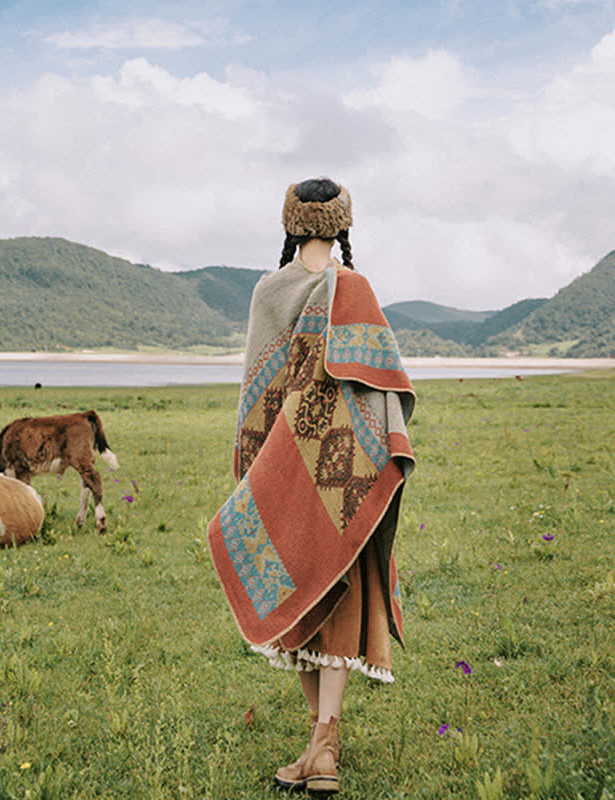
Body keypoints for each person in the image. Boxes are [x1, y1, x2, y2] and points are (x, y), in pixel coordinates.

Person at [207, 177, 416, 794]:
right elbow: (382, 386)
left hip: (280, 466)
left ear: (291, 223)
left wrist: (256, 470)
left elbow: (256, 395)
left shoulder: (268, 292)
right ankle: (322, 744)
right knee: (338, 587)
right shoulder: (356, 288)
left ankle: (319, 745)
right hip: (345, 466)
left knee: (297, 592)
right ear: (343, 223)